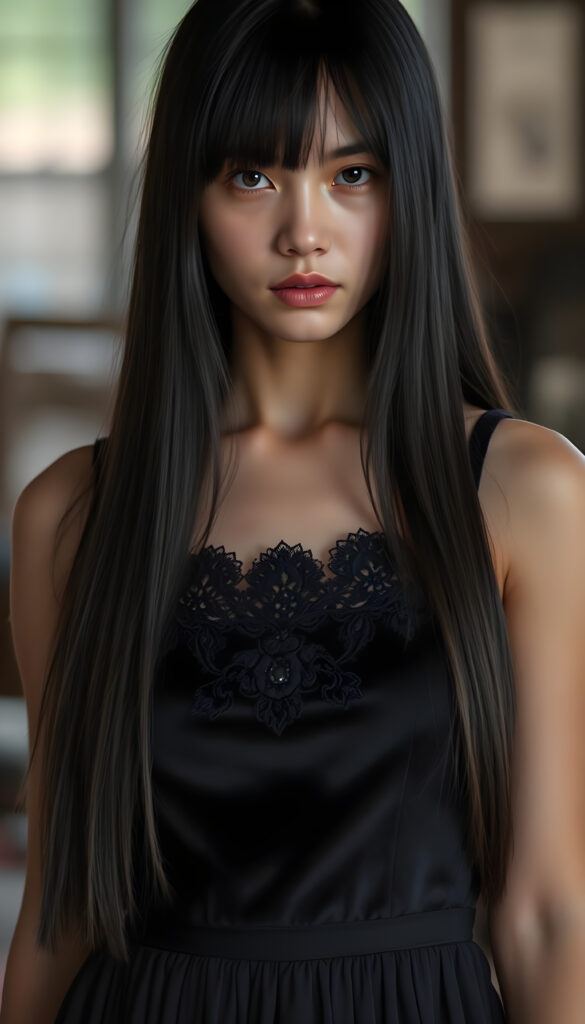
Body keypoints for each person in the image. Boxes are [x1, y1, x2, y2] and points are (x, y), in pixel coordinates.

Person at [3, 1, 585, 1021]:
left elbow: (546, 912)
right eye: (254, 175)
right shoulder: (71, 515)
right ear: (188, 192)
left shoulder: (526, 489)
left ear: (410, 193)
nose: (303, 230)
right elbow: (60, 911)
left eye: (352, 175)